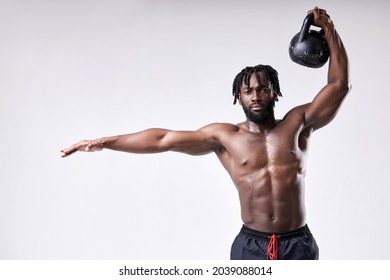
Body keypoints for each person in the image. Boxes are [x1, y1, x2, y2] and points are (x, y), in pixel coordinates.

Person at [61, 7, 350, 260]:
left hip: (297, 244)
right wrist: (105, 142)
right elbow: (163, 139)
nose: (256, 96)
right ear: (238, 97)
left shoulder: (298, 123)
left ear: (275, 93)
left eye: (263, 88)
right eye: (248, 91)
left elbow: (338, 85)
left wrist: (329, 29)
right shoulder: (225, 138)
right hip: (251, 246)